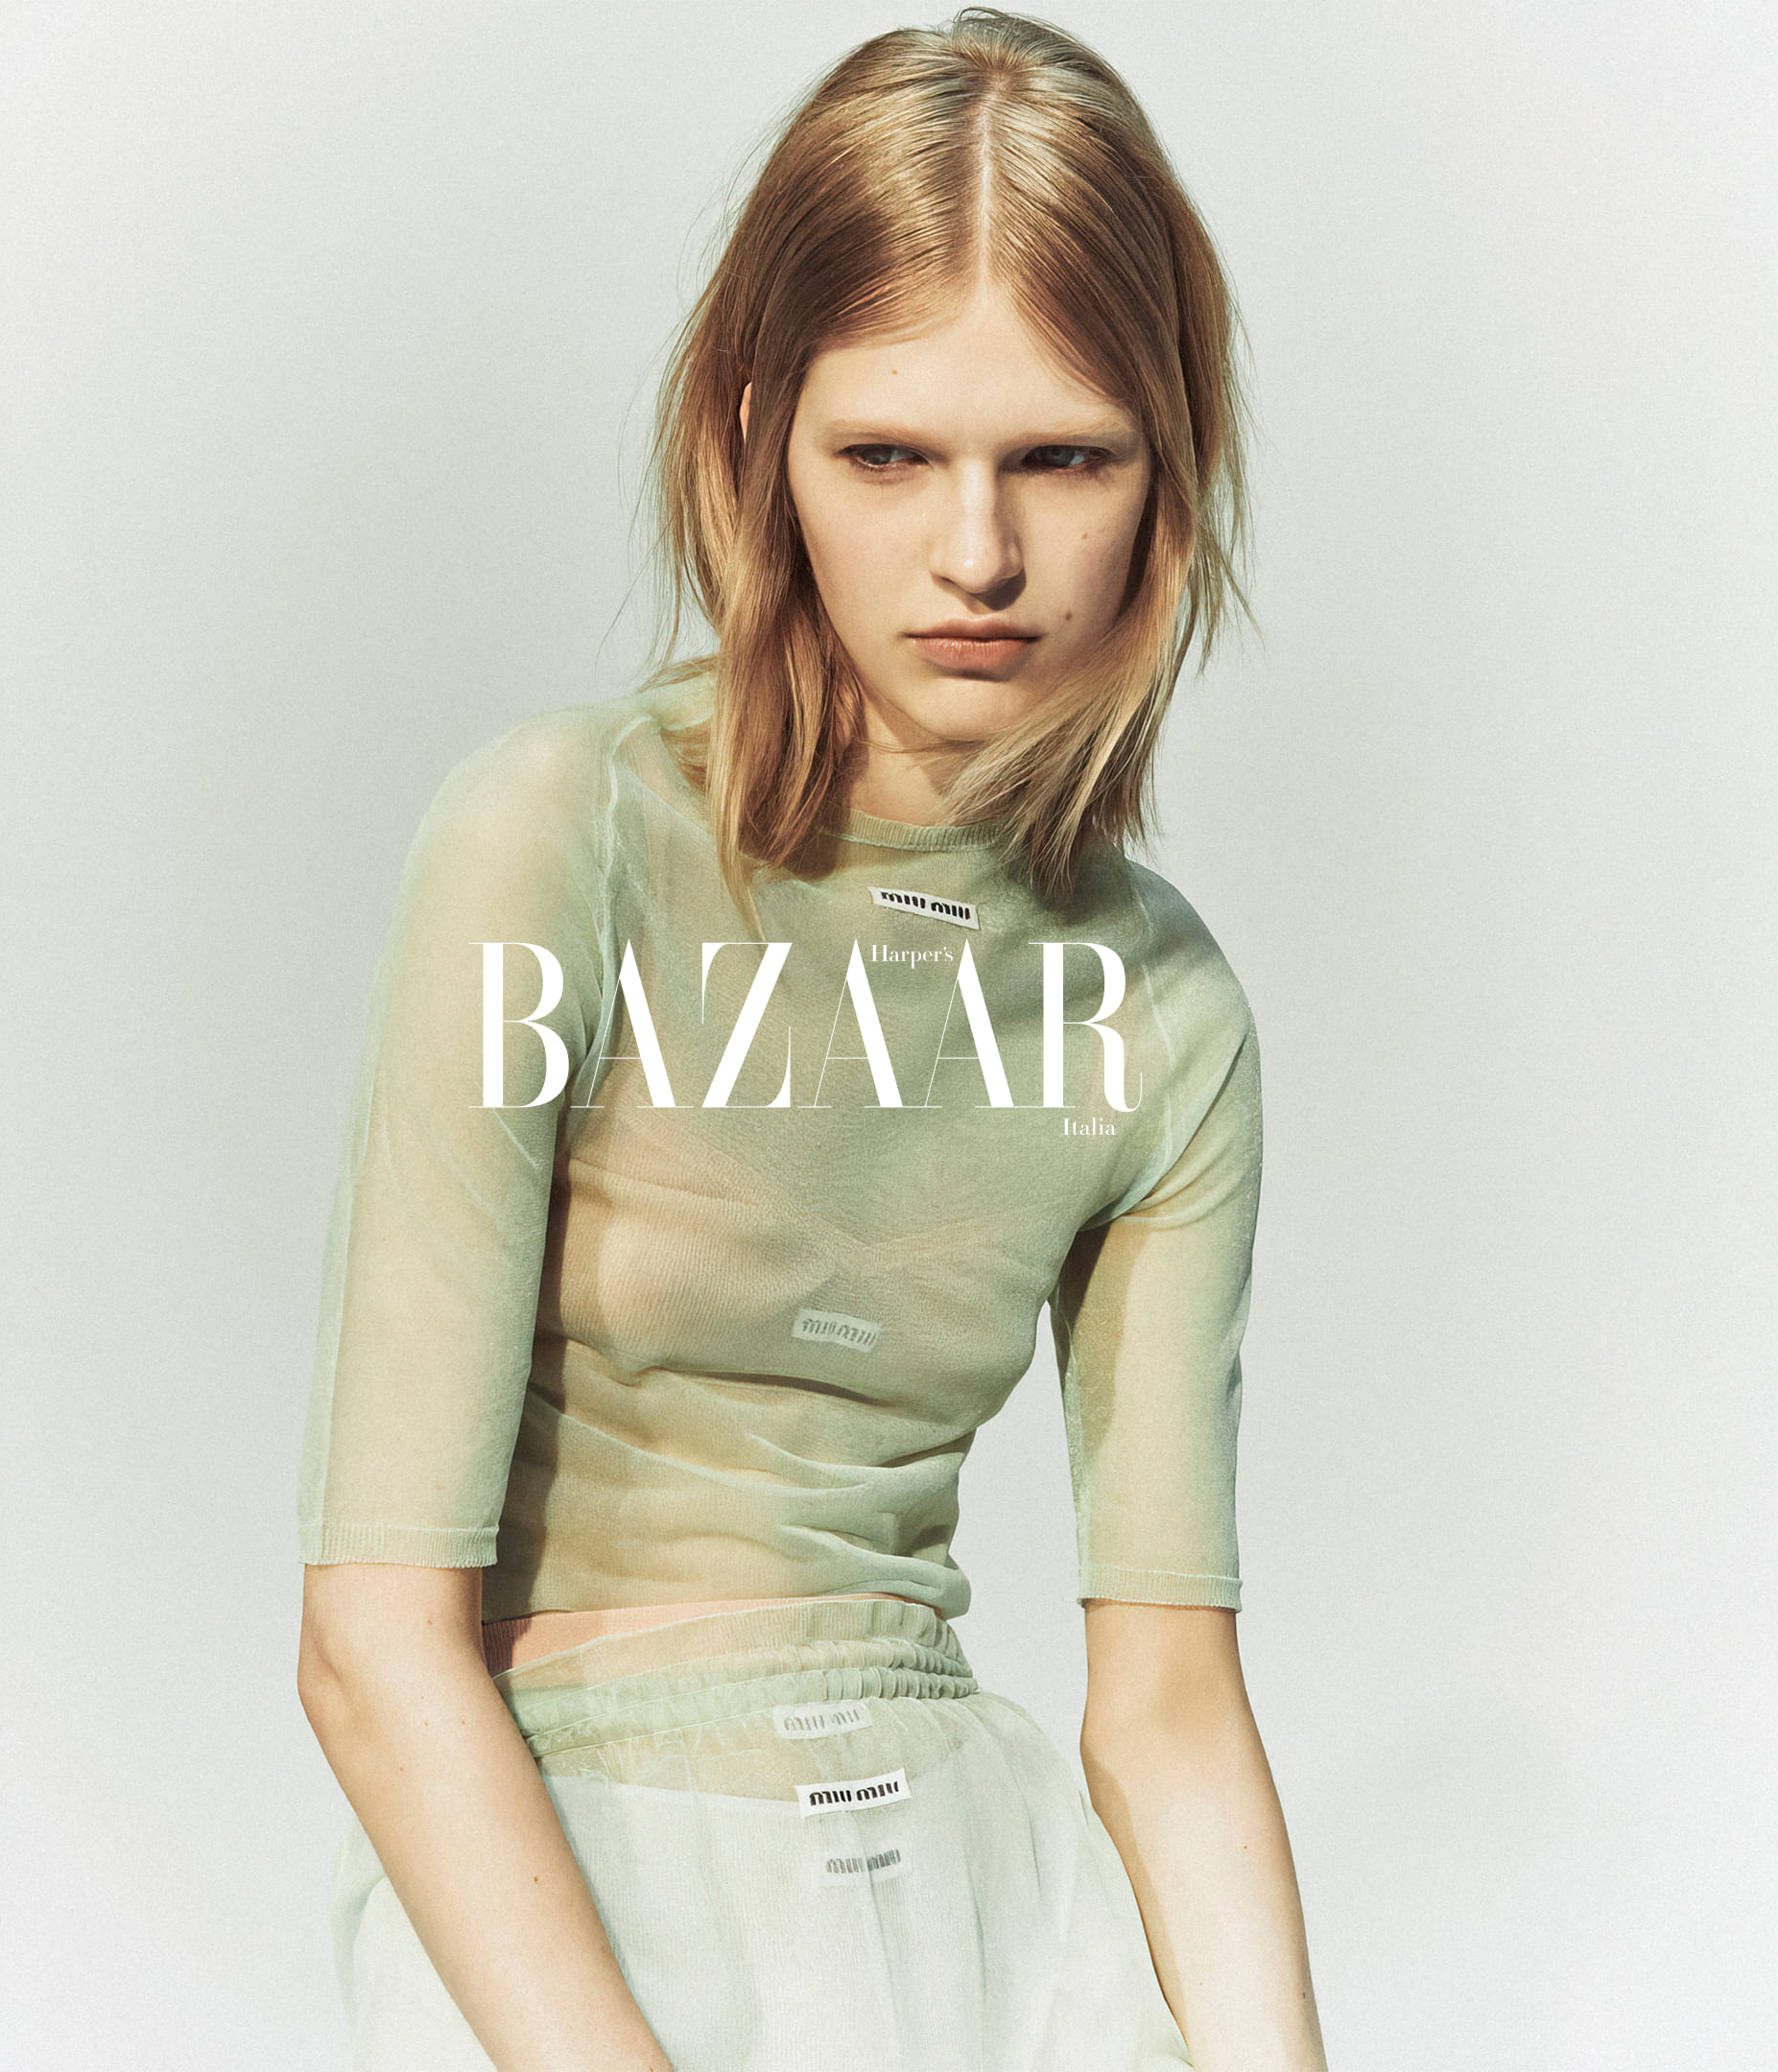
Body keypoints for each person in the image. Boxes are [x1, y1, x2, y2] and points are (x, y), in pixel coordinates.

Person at [292, 13, 1325, 2068]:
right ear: (758, 435)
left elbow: (1170, 1707)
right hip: (572, 1904)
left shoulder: (1160, 1008)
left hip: (982, 1910)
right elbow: (370, 1651)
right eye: (887, 457)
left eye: (1065, 457)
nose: (978, 556)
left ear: (1169, 471)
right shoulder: (560, 838)